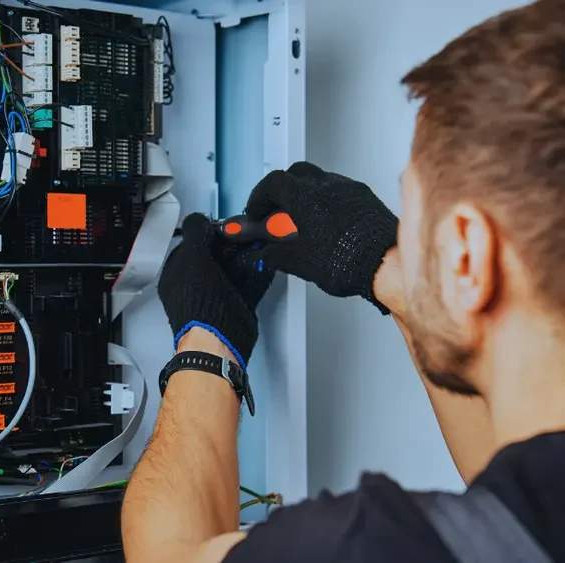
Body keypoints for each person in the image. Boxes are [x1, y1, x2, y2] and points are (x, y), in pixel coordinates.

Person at [121, 1, 565, 561]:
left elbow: (167, 554)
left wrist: (208, 339)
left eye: (416, 217)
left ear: (468, 255)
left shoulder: (379, 547)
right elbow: (509, 505)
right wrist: (388, 268)